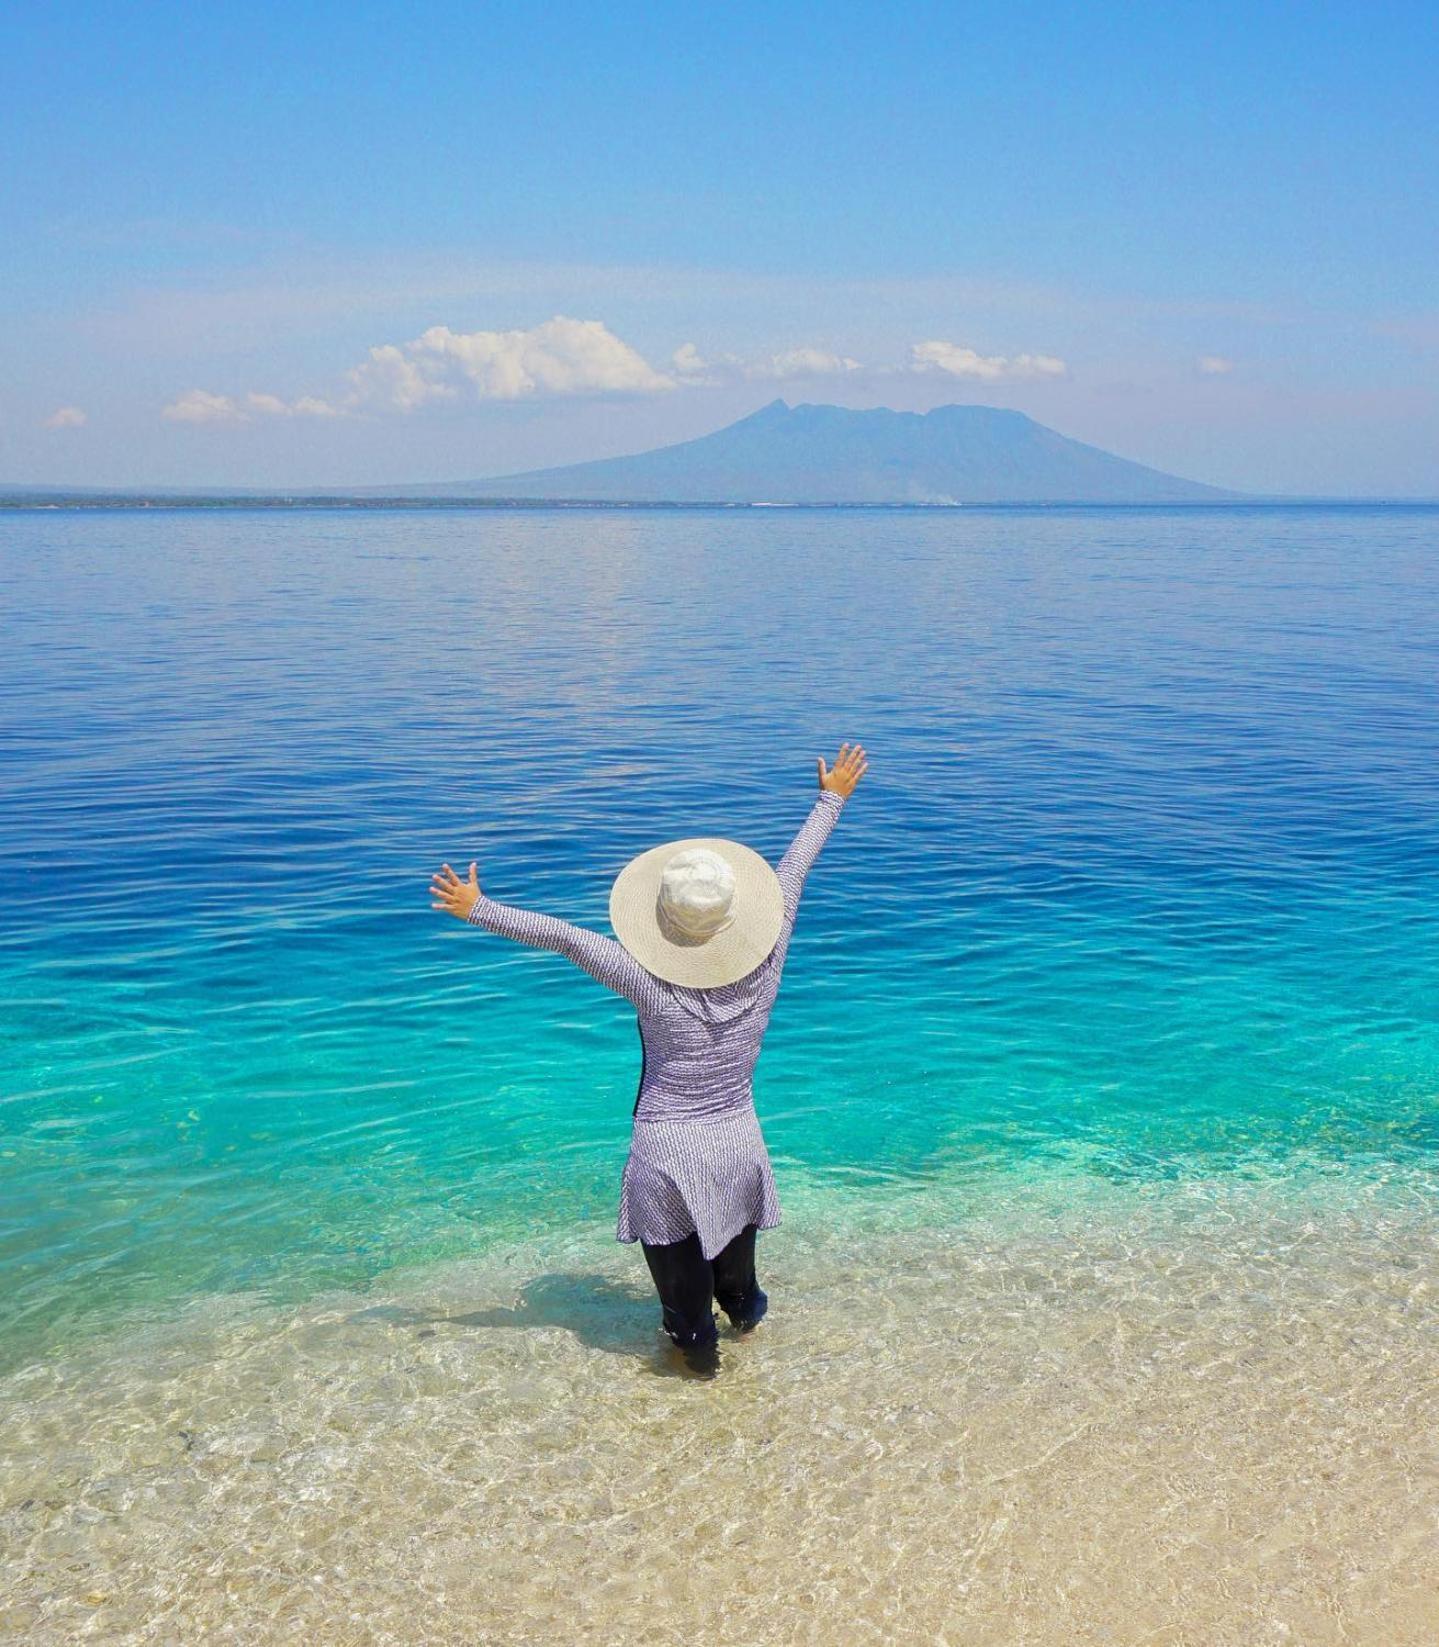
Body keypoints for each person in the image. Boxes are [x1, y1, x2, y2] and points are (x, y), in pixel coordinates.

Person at [429, 742, 868, 1375]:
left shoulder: (646, 979)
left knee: (686, 1316)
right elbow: (793, 871)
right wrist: (832, 798)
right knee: (738, 1290)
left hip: (666, 1154)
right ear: (736, 917)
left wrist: (480, 909)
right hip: (738, 1143)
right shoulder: (767, 964)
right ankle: (751, 1353)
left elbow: (569, 940)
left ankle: (704, 1383)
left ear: (665, 923)